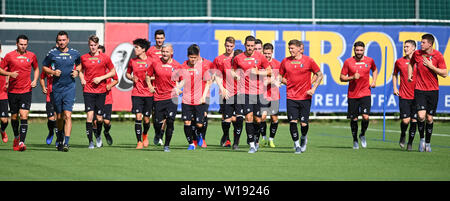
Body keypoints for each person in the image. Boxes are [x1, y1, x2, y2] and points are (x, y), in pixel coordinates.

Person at [280, 40, 323, 154]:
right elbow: (279, 75)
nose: (290, 50)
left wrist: (313, 88)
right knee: (293, 122)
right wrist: (286, 82)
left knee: (304, 124)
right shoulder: (285, 61)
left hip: (305, 97)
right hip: (291, 97)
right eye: (289, 48)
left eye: (293, 48)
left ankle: (303, 137)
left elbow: (319, 74)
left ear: (300, 48)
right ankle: (297, 145)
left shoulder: (309, 61)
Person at [42, 31, 81, 152]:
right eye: (59, 40)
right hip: (57, 89)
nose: (62, 42)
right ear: (57, 41)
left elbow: (79, 64)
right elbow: (44, 66)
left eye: (64, 40)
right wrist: (53, 73)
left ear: (68, 40)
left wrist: (77, 72)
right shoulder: (52, 53)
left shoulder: (75, 53)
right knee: (59, 117)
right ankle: (59, 136)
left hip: (70, 88)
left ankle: (66, 143)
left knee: (68, 115)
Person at [408, 34, 447, 152]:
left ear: (430, 44)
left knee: (429, 118)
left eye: (423, 42)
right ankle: (422, 140)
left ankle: (428, 143)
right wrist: (410, 74)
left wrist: (431, 67)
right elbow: (411, 63)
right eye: (421, 42)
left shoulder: (438, 56)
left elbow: (445, 73)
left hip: (433, 91)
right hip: (419, 90)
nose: (421, 44)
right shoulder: (417, 54)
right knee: (421, 116)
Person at [232, 35, 271, 153]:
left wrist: (258, 72)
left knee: (258, 120)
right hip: (245, 92)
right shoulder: (238, 58)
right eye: (248, 46)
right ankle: (252, 145)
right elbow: (233, 71)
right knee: (248, 117)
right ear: (245, 45)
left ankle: (256, 139)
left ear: (255, 46)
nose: (250, 48)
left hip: (258, 92)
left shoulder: (260, 57)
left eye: (252, 46)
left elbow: (269, 71)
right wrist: (236, 76)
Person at [0, 35, 39, 151]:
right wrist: (10, 74)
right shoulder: (9, 56)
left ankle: (22, 142)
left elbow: (36, 68)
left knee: (24, 115)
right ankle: (16, 137)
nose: (23, 46)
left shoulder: (31, 56)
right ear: (16, 44)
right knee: (14, 117)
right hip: (12, 92)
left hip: (26, 90)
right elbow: (0, 69)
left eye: (25, 44)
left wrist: (35, 80)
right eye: (21, 44)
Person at [340, 41, 378, 150]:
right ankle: (355, 139)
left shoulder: (369, 60)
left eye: (361, 50)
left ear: (364, 50)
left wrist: (374, 81)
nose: (359, 52)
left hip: (365, 93)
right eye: (357, 50)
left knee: (365, 117)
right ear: (354, 50)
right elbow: (342, 77)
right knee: (354, 119)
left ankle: (362, 134)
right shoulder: (348, 62)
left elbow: (374, 69)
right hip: (352, 94)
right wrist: (352, 77)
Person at [80, 35, 116, 149]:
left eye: (95, 45)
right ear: (88, 45)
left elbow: (113, 72)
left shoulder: (105, 58)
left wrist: (101, 78)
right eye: (91, 45)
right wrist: (82, 79)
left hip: (101, 91)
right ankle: (90, 142)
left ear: (98, 45)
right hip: (88, 91)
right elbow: (79, 70)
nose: (93, 47)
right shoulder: (84, 58)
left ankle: (99, 136)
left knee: (100, 118)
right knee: (90, 116)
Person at [146, 43, 181, 152]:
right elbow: (148, 75)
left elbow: (183, 79)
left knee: (170, 120)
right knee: (157, 122)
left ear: (172, 53)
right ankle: (158, 134)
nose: (165, 54)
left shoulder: (176, 65)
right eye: (163, 51)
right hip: (158, 97)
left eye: (167, 52)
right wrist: (150, 86)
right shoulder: (155, 63)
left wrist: (179, 88)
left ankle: (167, 145)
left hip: (172, 97)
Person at [179, 44, 213, 150]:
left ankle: (200, 136)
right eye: (191, 57)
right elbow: (179, 80)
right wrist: (178, 88)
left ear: (198, 56)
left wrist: (203, 97)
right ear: (187, 56)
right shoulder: (183, 66)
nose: (193, 60)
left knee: (199, 124)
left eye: (195, 57)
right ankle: (191, 143)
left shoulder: (203, 66)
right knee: (187, 122)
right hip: (187, 99)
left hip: (200, 99)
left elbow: (208, 82)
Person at [213, 37, 244, 149]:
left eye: (231, 46)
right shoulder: (219, 59)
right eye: (227, 46)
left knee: (239, 118)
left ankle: (236, 143)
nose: (229, 48)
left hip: (239, 93)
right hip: (226, 92)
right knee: (226, 119)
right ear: (224, 45)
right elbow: (217, 75)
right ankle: (226, 136)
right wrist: (222, 88)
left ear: (234, 46)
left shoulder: (240, 58)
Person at [126, 38, 154, 149]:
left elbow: (157, 75)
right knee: (138, 117)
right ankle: (139, 142)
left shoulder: (151, 61)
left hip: (148, 94)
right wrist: (132, 78)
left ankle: (145, 135)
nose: (135, 49)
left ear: (143, 49)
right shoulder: (132, 61)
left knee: (147, 119)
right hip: (136, 93)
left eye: (137, 47)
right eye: (135, 47)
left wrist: (149, 79)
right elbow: (127, 74)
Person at [392, 40, 418, 151]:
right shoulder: (399, 61)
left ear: (413, 48)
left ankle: (410, 143)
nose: (405, 48)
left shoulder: (420, 62)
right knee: (405, 120)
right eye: (404, 46)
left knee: (414, 120)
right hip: (404, 95)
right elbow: (394, 74)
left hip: (418, 95)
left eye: (407, 46)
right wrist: (394, 88)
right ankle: (403, 134)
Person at [260, 43, 281, 148]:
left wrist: (277, 81)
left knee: (274, 119)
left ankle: (271, 140)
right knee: (262, 117)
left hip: (274, 96)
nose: (267, 55)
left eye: (269, 53)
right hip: (263, 95)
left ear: (272, 52)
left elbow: (281, 77)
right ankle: (263, 139)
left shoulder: (277, 64)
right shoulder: (260, 64)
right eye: (265, 53)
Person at [146, 29, 165, 146]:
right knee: (155, 113)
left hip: (164, 87)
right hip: (154, 87)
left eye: (161, 38)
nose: (159, 40)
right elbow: (148, 69)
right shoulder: (150, 51)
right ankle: (157, 132)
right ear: (155, 39)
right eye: (157, 38)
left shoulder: (167, 50)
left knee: (166, 114)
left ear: (164, 39)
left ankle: (160, 135)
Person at [98, 45, 118, 145]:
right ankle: (98, 137)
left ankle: (106, 132)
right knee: (97, 121)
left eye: (100, 52)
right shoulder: (92, 64)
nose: (98, 54)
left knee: (106, 121)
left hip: (107, 98)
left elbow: (116, 79)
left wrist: (110, 85)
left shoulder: (108, 66)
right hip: (95, 97)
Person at [0, 42, 9, 144]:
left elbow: (9, 72)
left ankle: (2, 130)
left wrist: (8, 81)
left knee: (4, 120)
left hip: (2, 95)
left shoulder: (4, 62)